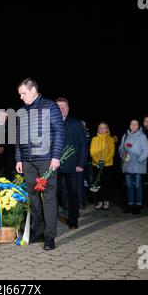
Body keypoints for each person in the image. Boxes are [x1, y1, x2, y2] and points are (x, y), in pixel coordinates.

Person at [15, 78, 64, 250]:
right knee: (33, 197)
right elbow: (18, 137)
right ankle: (38, 231)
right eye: (20, 94)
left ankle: (50, 237)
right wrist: (18, 158)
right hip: (27, 162)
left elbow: (59, 131)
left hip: (46, 159)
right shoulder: (21, 111)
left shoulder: (50, 106)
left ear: (33, 90)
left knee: (49, 197)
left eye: (23, 93)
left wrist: (56, 156)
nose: (21, 97)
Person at [56, 97, 87, 229]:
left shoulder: (76, 124)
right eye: (59, 107)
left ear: (68, 109)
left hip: (72, 166)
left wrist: (81, 163)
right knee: (53, 194)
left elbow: (83, 145)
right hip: (54, 166)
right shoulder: (50, 123)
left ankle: (73, 220)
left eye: (64, 107)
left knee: (73, 193)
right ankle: (51, 219)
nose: (62, 109)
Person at [119, 119, 148, 215]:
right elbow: (121, 148)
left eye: (135, 124)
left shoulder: (142, 137)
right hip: (127, 164)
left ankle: (138, 205)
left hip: (138, 165)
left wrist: (140, 159)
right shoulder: (125, 136)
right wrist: (122, 154)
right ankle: (130, 205)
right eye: (131, 124)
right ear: (129, 125)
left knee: (138, 185)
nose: (133, 126)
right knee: (129, 186)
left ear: (138, 126)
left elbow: (147, 150)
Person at [89, 122, 115, 210]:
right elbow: (92, 152)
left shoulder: (111, 139)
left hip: (107, 165)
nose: (102, 129)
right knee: (98, 184)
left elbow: (112, 152)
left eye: (104, 128)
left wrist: (104, 161)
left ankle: (106, 201)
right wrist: (98, 161)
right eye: (100, 127)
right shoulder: (94, 139)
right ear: (98, 129)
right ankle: (99, 201)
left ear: (107, 129)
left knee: (106, 183)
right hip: (96, 165)